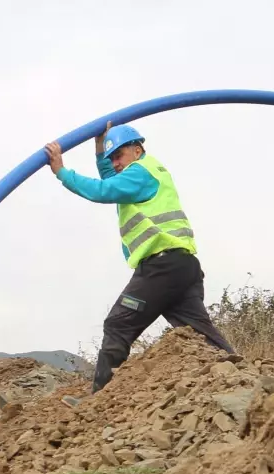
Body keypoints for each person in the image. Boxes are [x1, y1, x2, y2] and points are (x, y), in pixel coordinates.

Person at [44, 122, 234, 393]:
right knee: (200, 334)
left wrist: (62, 172)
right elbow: (113, 181)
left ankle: (98, 402)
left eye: (118, 156)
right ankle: (241, 377)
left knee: (117, 324)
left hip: (161, 265)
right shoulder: (148, 170)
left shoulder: (139, 173)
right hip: (183, 267)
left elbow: (103, 190)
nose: (116, 163)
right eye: (113, 159)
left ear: (137, 149)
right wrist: (101, 150)